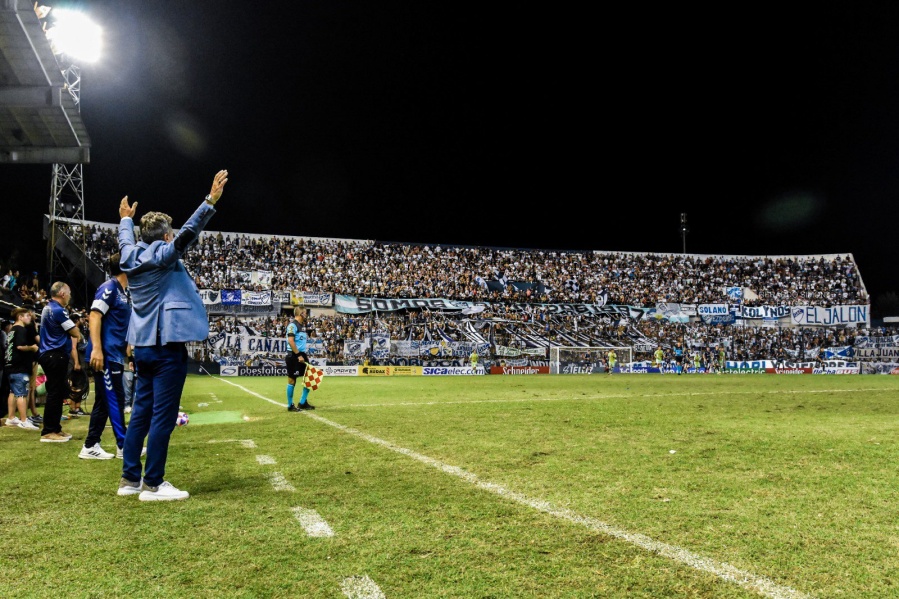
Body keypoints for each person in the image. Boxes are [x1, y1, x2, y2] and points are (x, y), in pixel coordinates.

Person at [116, 169, 229, 502]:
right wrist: (209, 201)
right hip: (166, 347)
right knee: (162, 417)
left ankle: (129, 480)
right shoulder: (165, 255)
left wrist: (125, 220)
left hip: (143, 347)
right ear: (166, 237)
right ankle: (153, 484)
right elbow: (189, 233)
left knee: (139, 413)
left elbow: (125, 239)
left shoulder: (129, 255)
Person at [81, 253, 132, 460]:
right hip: (106, 356)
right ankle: (124, 446)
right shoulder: (109, 288)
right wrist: (97, 349)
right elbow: (94, 315)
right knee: (116, 399)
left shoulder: (122, 292)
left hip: (115, 355)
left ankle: (90, 445)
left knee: (104, 402)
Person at [37, 282, 81, 442]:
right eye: (68, 292)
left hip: (49, 354)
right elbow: (75, 333)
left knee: (57, 392)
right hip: (55, 355)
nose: (70, 295)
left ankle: (55, 428)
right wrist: (79, 332)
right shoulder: (58, 310)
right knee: (55, 393)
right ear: (62, 293)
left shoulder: (48, 307)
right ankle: (49, 431)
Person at [5, 308, 39, 430]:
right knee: (22, 394)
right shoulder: (20, 329)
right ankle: (24, 420)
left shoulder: (11, 330)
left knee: (13, 392)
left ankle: (11, 417)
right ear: (20, 317)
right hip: (19, 366)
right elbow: (20, 346)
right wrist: (32, 347)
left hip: (10, 366)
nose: (29, 318)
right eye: (27, 316)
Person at [285, 306, 314, 411]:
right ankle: (290, 405)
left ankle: (302, 402)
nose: (306, 314)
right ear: (301, 313)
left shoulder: (303, 326)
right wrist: (298, 355)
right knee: (292, 380)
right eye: (305, 312)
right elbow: (291, 341)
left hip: (301, 354)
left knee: (309, 378)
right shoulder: (292, 325)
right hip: (293, 355)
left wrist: (303, 355)